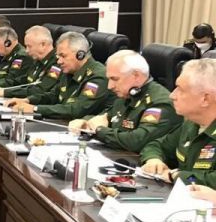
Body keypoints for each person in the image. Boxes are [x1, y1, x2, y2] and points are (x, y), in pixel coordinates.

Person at [68, 50, 180, 152]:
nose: (110, 86)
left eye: (115, 79)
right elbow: (106, 116)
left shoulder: (161, 104)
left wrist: (99, 130)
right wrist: (85, 121)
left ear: (136, 76)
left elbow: (136, 141)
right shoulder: (127, 94)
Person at [140, 59, 216, 187]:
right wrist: (153, 159)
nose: (172, 95)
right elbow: (157, 146)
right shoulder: (192, 123)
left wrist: (176, 175)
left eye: (180, 90)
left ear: (205, 99)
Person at [7, 31, 114, 119]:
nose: (59, 61)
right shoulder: (69, 70)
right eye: (58, 56)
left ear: (80, 55)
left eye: (63, 56)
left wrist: (34, 108)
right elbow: (53, 95)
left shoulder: (98, 77)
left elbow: (75, 110)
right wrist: (27, 100)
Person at [0, 26, 59, 98]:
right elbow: (22, 80)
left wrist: (5, 92)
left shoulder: (57, 64)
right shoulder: (38, 60)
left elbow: (40, 90)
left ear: (43, 45)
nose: (27, 50)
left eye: (29, 46)